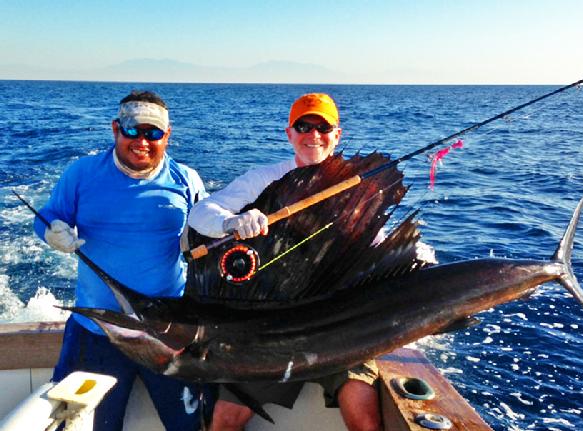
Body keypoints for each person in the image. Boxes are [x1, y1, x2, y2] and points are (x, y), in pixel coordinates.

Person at [189, 93, 404, 431]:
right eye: (304, 126)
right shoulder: (264, 179)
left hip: (339, 327)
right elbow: (201, 213)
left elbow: (377, 248)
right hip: (269, 331)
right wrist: (231, 223)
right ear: (289, 133)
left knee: (363, 416)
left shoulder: (356, 189)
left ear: (337, 135)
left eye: (323, 127)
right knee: (223, 420)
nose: (313, 134)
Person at [34, 90, 211, 431]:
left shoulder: (186, 180)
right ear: (116, 128)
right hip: (97, 331)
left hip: (166, 333)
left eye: (153, 133)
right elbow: (48, 215)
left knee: (189, 426)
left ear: (168, 135)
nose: (142, 141)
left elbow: (209, 227)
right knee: (89, 426)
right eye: (132, 130)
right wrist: (50, 230)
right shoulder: (81, 173)